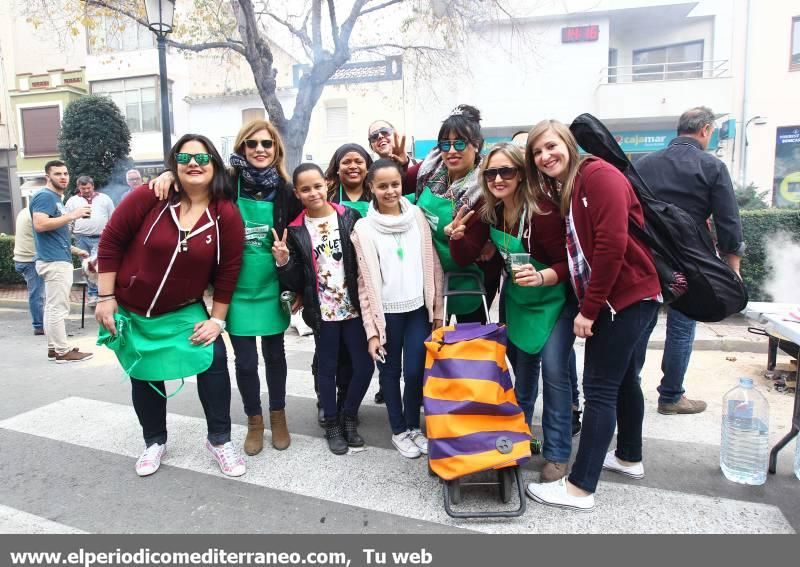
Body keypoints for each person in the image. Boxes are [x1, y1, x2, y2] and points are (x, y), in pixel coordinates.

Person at [524, 120, 661, 511]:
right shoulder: (571, 186)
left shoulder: (598, 175)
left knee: (599, 387)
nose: (545, 156)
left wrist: (589, 308)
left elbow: (611, 246)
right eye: (537, 152)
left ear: (568, 143)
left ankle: (581, 488)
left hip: (626, 299)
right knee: (622, 382)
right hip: (633, 296)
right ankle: (629, 456)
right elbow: (580, 255)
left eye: (551, 146)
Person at [95, 134, 246, 478]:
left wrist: (217, 321)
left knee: (214, 360)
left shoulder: (225, 213)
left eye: (203, 158)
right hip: (132, 310)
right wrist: (106, 298)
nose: (194, 164)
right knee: (144, 375)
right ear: (174, 164)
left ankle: (220, 440)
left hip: (183, 309)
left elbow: (229, 270)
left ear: (215, 165)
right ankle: (154, 442)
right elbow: (111, 241)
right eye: (185, 158)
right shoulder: (152, 196)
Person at [153, 120, 301, 456]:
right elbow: (190, 184)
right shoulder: (226, 184)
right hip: (234, 289)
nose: (259, 149)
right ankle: (254, 420)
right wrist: (167, 176)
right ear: (241, 149)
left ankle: (278, 415)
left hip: (272, 285)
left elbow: (303, 242)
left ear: (276, 149)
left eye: (266, 144)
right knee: (246, 362)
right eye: (252, 144)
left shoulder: (288, 191)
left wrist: (296, 282)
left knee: (275, 356)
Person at [447, 142, 575, 480]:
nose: (498, 178)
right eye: (491, 172)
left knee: (554, 375)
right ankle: (517, 441)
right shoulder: (487, 210)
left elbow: (568, 263)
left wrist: (543, 275)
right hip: (517, 301)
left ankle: (558, 452)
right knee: (521, 376)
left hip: (553, 302)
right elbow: (464, 255)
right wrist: (456, 237)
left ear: (521, 174)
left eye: (507, 171)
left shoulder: (544, 214)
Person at [636, 106, 745, 416]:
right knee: (682, 326)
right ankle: (670, 396)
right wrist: (732, 268)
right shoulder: (711, 165)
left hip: (650, 256)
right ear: (706, 130)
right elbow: (728, 221)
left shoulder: (645, 164)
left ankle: (628, 387)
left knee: (642, 323)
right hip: (692, 259)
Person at [276, 163, 374, 455]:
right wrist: (283, 261)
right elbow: (295, 280)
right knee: (327, 370)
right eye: (305, 189)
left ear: (327, 185)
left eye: (317, 186)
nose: (313, 192)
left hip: (355, 309)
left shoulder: (349, 216)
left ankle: (349, 415)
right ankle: (332, 423)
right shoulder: (294, 230)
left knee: (365, 365)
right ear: (298, 193)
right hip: (324, 313)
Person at [351, 159, 443, 458]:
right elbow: (364, 285)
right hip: (386, 314)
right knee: (390, 373)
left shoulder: (417, 216)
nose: (390, 191)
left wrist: (437, 310)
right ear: (371, 188)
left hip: (418, 309)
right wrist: (371, 332)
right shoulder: (363, 229)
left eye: (395, 184)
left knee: (416, 371)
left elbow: (433, 265)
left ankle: (414, 427)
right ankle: (399, 430)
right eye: (382, 186)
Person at [410, 105, 502, 323]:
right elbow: (396, 181)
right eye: (446, 144)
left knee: (466, 347)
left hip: (472, 276)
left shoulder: (484, 186)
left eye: (460, 143)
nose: (452, 150)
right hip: (432, 273)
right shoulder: (430, 170)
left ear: (476, 146)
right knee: (434, 345)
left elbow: (467, 255)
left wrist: (457, 237)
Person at [30, 160, 93, 363]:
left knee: (52, 307)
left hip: (56, 258)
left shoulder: (55, 198)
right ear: (48, 176)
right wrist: (73, 215)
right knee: (58, 308)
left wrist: (75, 250)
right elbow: (40, 225)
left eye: (66, 173)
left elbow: (54, 233)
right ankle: (62, 351)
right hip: (54, 261)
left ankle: (54, 348)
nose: (63, 177)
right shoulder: (45, 196)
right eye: (58, 174)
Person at [65, 175, 115, 306]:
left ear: (93, 186)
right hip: (81, 237)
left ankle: (102, 293)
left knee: (99, 266)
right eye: (83, 188)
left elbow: (113, 217)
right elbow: (68, 220)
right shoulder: (72, 201)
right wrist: (67, 236)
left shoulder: (105, 199)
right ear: (78, 187)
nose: (86, 190)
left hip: (101, 237)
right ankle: (93, 295)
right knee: (87, 267)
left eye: (88, 188)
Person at [13, 207, 45, 335]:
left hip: (21, 258)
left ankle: (42, 322)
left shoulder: (23, 211)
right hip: (30, 260)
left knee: (37, 293)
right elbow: (50, 239)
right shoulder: (36, 215)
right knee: (37, 295)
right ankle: (39, 325)